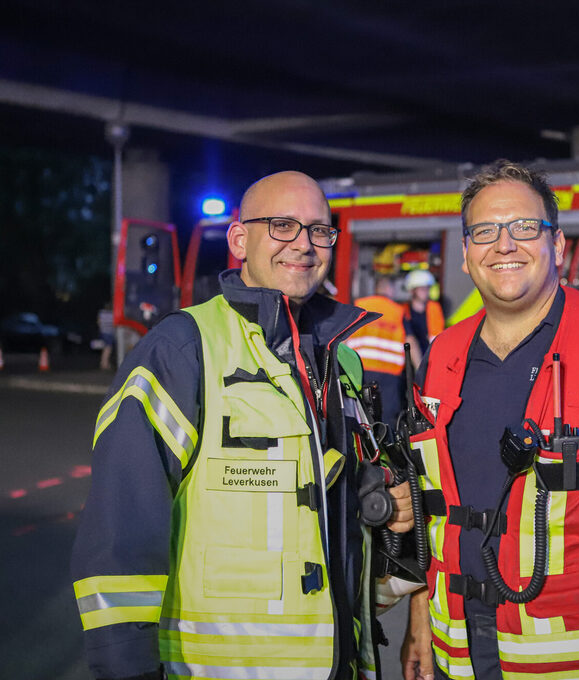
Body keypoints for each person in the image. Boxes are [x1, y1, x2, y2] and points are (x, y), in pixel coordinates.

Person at [71, 171, 413, 680]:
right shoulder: (181, 350)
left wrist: (383, 507)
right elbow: (120, 530)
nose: (303, 244)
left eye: (319, 230)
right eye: (282, 225)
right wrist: (126, 670)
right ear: (238, 240)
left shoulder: (341, 361)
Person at [400, 160, 579, 680]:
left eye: (524, 228)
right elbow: (431, 508)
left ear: (557, 246)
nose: (504, 245)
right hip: (456, 656)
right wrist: (419, 613)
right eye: (484, 231)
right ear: (465, 255)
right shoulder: (441, 356)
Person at [347, 275, 422, 427]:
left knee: (360, 415)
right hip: (389, 375)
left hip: (360, 370)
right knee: (388, 420)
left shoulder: (359, 305)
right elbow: (410, 341)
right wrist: (420, 369)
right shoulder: (397, 311)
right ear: (389, 289)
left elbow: (344, 337)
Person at [404, 269, 445, 361]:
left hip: (431, 358)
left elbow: (437, 338)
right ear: (412, 291)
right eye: (422, 289)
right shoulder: (404, 311)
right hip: (407, 362)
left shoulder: (434, 309)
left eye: (427, 288)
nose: (426, 291)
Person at [97, 303, 116, 370]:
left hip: (103, 332)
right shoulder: (112, 314)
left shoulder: (101, 313)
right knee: (108, 349)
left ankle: (103, 363)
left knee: (106, 348)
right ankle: (105, 364)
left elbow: (99, 322)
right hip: (109, 333)